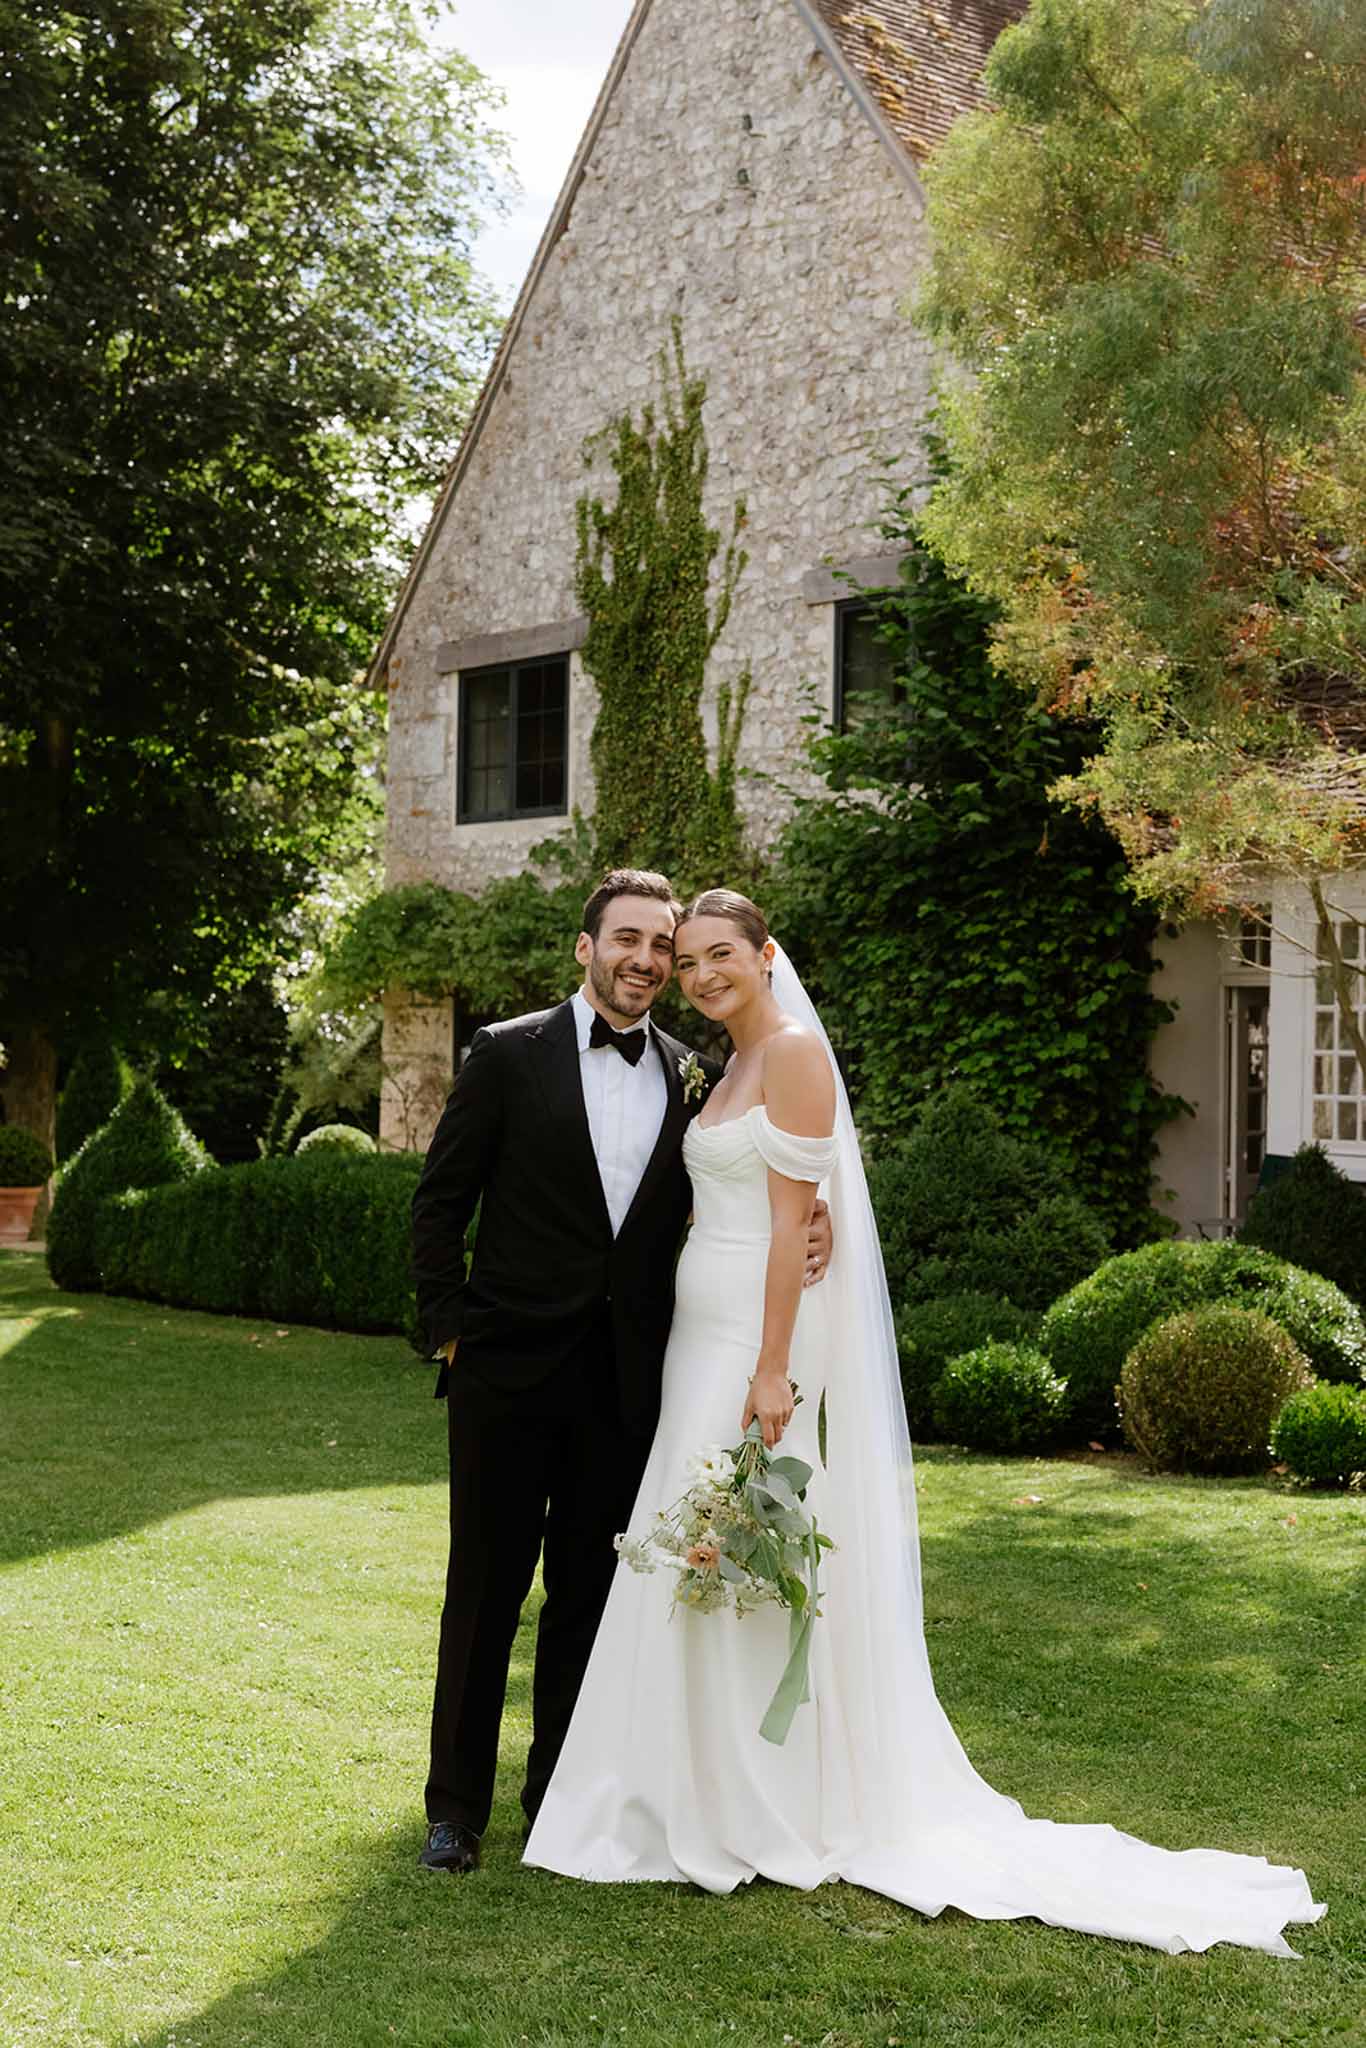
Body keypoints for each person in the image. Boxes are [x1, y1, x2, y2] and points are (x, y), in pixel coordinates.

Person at [524, 889, 1326, 1959]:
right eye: (688, 957)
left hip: (755, 1337)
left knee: (742, 1538)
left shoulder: (796, 1053)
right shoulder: (717, 1067)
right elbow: (721, 1201)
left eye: (722, 953)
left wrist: (770, 1369)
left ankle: (759, 1787)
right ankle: (681, 1775)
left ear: (767, 956)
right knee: (699, 1541)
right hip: (695, 1327)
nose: (701, 970)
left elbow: (787, 1227)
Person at [409, 869, 832, 1874]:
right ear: (586, 947)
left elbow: (743, 1185)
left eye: (664, 946)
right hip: (506, 1372)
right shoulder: (506, 1052)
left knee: (591, 1591)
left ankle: (561, 1787)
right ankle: (455, 1809)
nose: (648, 960)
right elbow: (438, 1202)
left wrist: (815, 1219)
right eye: (631, 940)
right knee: (486, 1586)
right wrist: (450, 1331)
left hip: (631, 1379)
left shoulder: (694, 1071)